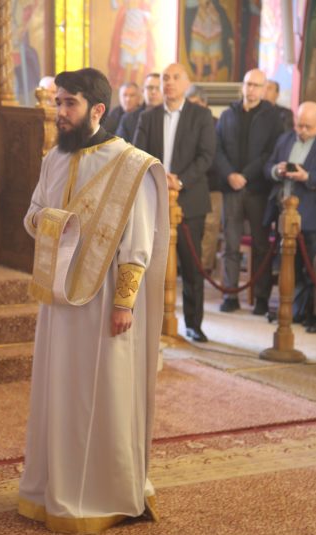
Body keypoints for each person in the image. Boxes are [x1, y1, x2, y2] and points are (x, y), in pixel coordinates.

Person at [18, 67, 169, 534]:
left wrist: (125, 304)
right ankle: (53, 488)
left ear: (97, 109)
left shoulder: (130, 165)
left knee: (105, 393)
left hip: (103, 301)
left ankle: (109, 492)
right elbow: (32, 215)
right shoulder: (53, 158)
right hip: (59, 297)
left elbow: (138, 242)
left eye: (70, 103)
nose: (60, 112)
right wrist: (54, 223)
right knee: (59, 391)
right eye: (58, 102)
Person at [134, 63, 216, 342]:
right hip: (154, 198)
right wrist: (160, 178)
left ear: (186, 83)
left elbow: (206, 156)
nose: (169, 82)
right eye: (165, 78)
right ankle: (150, 322)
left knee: (191, 267)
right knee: (151, 264)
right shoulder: (148, 116)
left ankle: (193, 324)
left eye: (175, 78)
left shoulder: (201, 115)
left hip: (190, 201)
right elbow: (137, 154)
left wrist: (179, 181)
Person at [215, 68, 283, 315]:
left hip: (258, 189)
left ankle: (261, 297)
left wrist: (245, 175)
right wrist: (230, 175)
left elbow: (271, 153)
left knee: (261, 245)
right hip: (231, 187)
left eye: (256, 85)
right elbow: (217, 149)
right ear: (242, 86)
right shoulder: (227, 115)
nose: (251, 89)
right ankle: (230, 295)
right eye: (248, 84)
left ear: (264, 89)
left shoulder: (273, 117)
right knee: (231, 244)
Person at [264, 101, 316, 326]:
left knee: (312, 269)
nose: (302, 131)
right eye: (299, 125)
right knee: (290, 266)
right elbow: (268, 166)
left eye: (308, 127)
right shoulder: (285, 138)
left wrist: (307, 177)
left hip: (313, 214)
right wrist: (276, 171)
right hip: (284, 213)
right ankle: (295, 311)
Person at [186, 84, 222, 274]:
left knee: (210, 227)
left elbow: (216, 154)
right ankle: (187, 266)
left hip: (212, 183)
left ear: (204, 103)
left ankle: (204, 268)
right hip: (189, 183)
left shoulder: (216, 123)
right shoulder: (184, 123)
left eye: (195, 104)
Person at [116, 72, 162, 143]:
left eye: (158, 88)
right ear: (143, 91)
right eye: (150, 88)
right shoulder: (127, 119)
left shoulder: (172, 117)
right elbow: (119, 147)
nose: (153, 92)